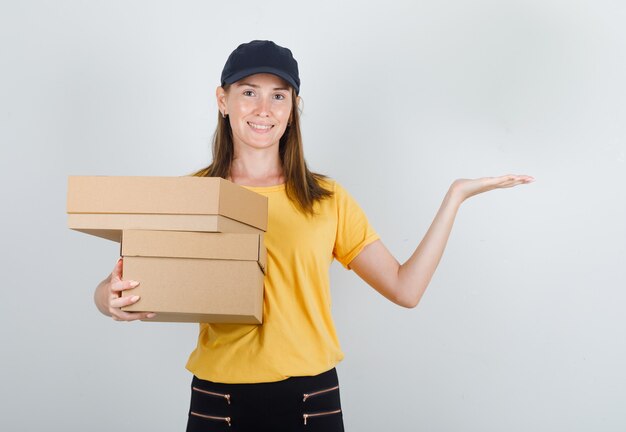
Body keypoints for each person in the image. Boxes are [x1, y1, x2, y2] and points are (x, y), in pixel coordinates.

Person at [94, 40, 533, 431]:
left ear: (293, 107)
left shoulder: (326, 200)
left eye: (278, 96)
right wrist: (109, 299)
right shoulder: (193, 196)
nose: (263, 109)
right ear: (222, 100)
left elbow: (406, 289)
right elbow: (122, 280)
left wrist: (455, 197)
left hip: (310, 402)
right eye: (249, 92)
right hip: (218, 401)